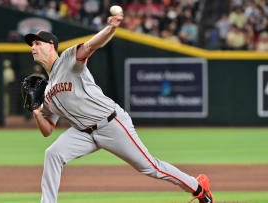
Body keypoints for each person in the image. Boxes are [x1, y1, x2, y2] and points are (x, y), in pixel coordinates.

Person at [24, 12, 213, 203]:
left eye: (38, 43)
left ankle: (197, 186)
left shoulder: (67, 60)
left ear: (51, 45)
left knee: (150, 167)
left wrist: (111, 28)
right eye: (32, 44)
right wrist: (36, 112)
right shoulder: (47, 91)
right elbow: (47, 129)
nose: (33, 47)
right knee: (53, 153)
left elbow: (90, 46)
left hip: (110, 123)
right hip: (83, 133)